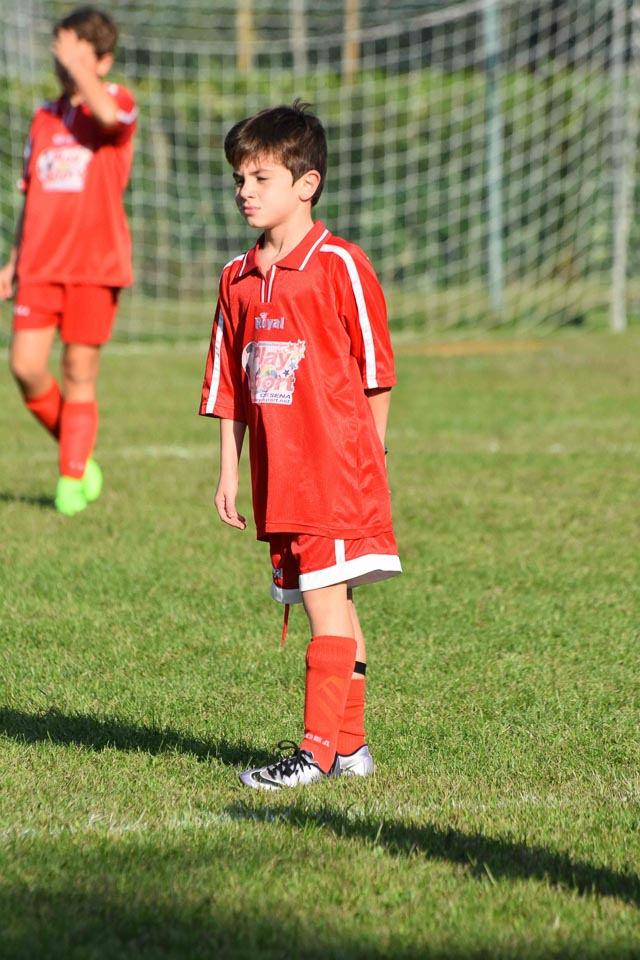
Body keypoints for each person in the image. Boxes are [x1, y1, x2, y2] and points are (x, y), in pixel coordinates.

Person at [200, 101, 402, 790]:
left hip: (335, 472)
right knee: (332, 601)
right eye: (239, 179)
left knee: (323, 601)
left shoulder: (339, 264)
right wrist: (229, 471)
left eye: (260, 178)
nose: (245, 191)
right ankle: (351, 750)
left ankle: (314, 755)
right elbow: (228, 383)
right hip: (279, 476)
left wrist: (370, 458)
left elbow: (377, 371)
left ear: (306, 184)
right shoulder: (236, 278)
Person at [0, 6, 137, 515]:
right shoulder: (44, 116)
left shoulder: (117, 102)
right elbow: (32, 196)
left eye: (74, 52)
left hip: (93, 268)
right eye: (58, 51)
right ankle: (77, 452)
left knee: (79, 371)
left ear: (101, 60)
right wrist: (12, 262)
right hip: (38, 266)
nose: (62, 62)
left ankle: (71, 477)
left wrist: (81, 68)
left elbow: (109, 117)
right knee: (24, 366)